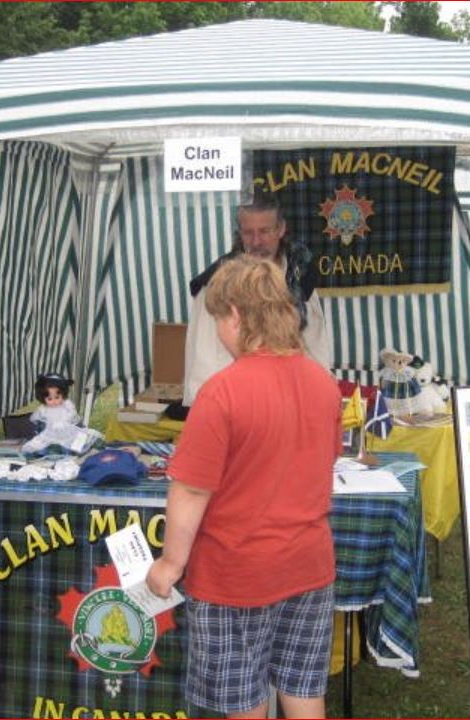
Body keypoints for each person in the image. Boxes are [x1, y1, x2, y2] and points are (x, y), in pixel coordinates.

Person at [146, 255, 342, 719]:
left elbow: (191, 490)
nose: (218, 332)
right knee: (303, 687)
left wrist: (171, 563)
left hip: (236, 573)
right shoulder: (323, 382)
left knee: (243, 699)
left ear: (235, 315)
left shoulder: (221, 392)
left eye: (218, 320)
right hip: (308, 566)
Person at [182, 193, 331, 406]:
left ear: (281, 229)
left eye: (264, 231)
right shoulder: (217, 286)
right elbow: (203, 361)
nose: (256, 241)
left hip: (291, 401)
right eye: (248, 232)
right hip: (238, 403)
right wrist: (206, 406)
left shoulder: (300, 280)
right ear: (239, 233)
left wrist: (320, 395)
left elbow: (315, 350)